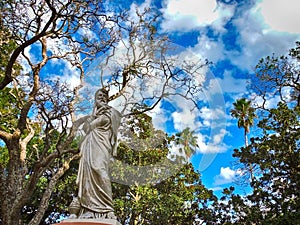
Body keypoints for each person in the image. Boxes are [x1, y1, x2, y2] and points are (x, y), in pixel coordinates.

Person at [70, 88, 122, 219]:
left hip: (102, 144)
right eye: (99, 96)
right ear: (95, 99)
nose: (102, 98)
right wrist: (93, 116)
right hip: (89, 146)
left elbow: (111, 122)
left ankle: (107, 208)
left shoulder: (111, 112)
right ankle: (88, 208)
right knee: (87, 175)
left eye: (105, 96)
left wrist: (95, 119)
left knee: (99, 169)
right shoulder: (95, 114)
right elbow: (86, 128)